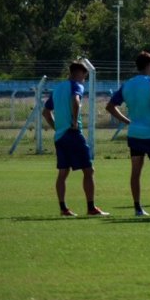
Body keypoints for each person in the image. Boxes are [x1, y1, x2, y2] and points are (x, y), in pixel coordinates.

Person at [106, 51, 150, 217]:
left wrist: (127, 122)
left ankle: (138, 208)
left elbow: (110, 106)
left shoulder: (128, 84)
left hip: (134, 133)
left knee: (136, 172)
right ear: (148, 65)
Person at [43, 61, 108, 217]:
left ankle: (63, 209)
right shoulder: (76, 85)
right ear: (78, 73)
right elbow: (76, 101)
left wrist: (56, 127)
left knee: (63, 173)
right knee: (88, 170)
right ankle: (91, 208)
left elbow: (46, 112)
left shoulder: (57, 89)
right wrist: (73, 120)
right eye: (84, 75)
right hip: (72, 134)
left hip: (60, 136)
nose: (84, 79)